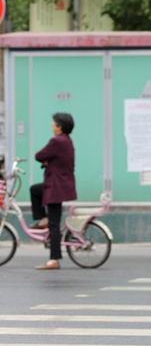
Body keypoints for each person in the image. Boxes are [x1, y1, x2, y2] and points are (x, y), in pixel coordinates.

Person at [31, 113, 77, 270]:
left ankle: (54, 259)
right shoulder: (67, 141)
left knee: (54, 225)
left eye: (54, 123)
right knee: (35, 190)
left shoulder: (57, 141)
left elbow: (39, 155)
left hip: (56, 187)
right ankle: (42, 218)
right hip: (60, 185)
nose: (52, 125)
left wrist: (46, 160)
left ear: (60, 126)